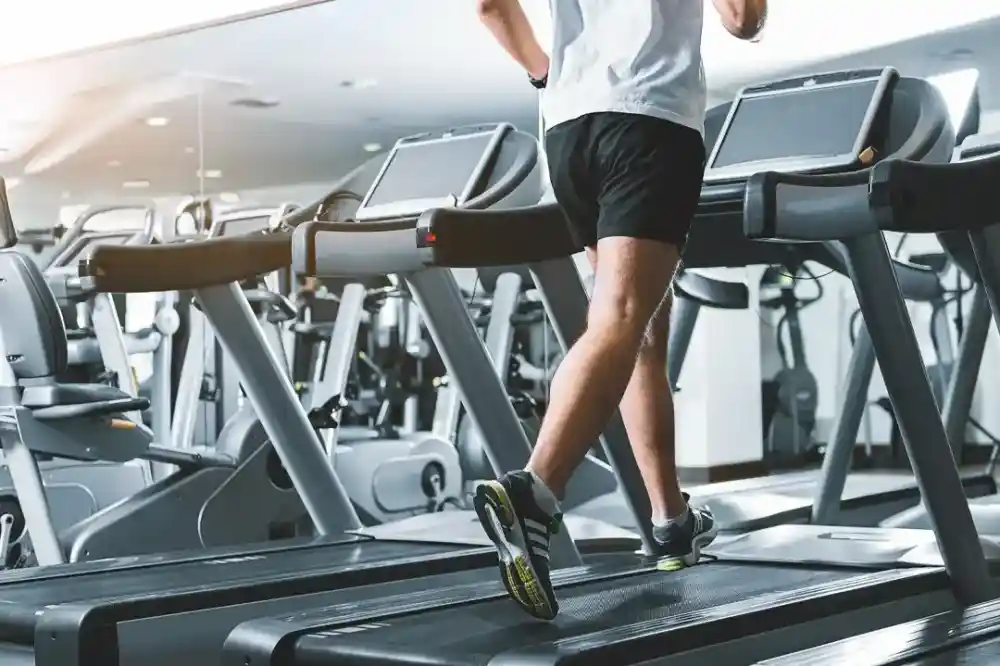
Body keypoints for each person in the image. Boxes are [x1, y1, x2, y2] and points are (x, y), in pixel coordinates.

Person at [472, 0, 768, 621]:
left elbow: (490, 7)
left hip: (567, 127)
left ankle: (670, 521)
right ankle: (534, 492)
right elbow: (743, 19)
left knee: (639, 333)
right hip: (650, 119)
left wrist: (544, 73)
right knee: (621, 319)